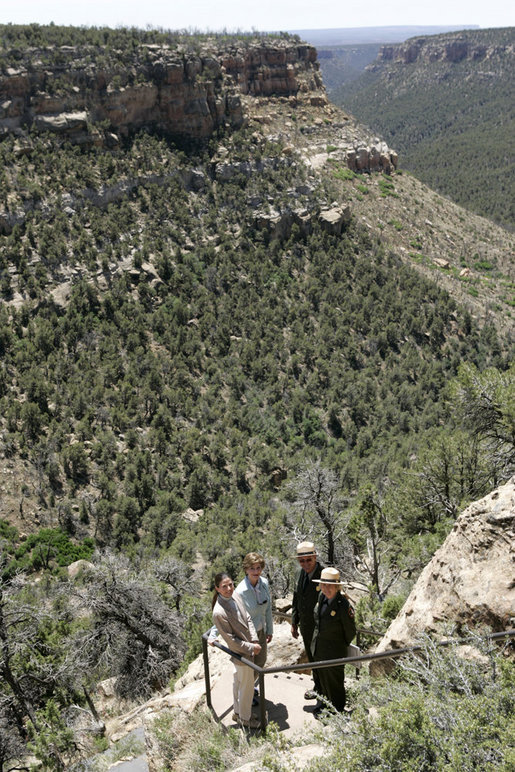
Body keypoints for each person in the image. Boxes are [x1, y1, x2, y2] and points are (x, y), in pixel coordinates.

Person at [212, 572, 262, 729]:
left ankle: (238, 713)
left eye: (230, 584)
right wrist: (251, 647)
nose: (228, 588)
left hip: (248, 649)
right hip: (241, 654)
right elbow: (231, 641)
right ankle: (246, 719)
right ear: (217, 589)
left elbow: (247, 617)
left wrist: (254, 639)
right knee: (246, 687)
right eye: (224, 586)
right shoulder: (219, 612)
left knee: (239, 683)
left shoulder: (236, 597)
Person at [310, 567, 356, 716]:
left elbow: (350, 632)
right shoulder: (321, 598)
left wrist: (339, 645)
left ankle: (337, 712)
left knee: (335, 683)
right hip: (319, 648)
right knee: (323, 680)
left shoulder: (343, 605)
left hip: (334, 651)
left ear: (337, 587)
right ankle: (324, 705)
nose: (326, 588)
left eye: (330, 585)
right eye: (324, 585)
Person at [291, 541, 324, 700]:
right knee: (312, 658)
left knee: (321, 659)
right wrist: (294, 622)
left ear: (315, 557)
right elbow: (296, 598)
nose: (305, 564)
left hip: (321, 628)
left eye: (308, 560)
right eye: (301, 561)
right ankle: (318, 687)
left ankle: (325, 692)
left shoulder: (325, 575)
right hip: (305, 626)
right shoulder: (299, 574)